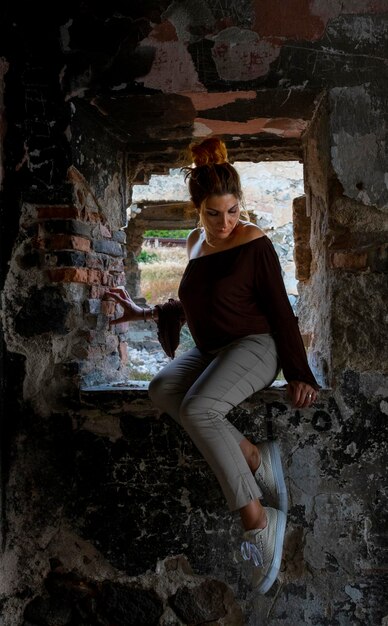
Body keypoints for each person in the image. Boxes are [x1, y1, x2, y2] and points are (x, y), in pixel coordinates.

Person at [105, 137, 320, 594]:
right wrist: (142, 313)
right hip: (211, 349)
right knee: (162, 391)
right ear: (196, 210)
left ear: (240, 206)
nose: (225, 223)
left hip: (256, 346)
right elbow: (196, 305)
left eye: (233, 211)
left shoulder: (255, 243)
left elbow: (281, 310)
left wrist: (300, 373)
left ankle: (259, 521)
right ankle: (254, 456)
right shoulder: (194, 243)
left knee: (200, 409)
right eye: (213, 214)